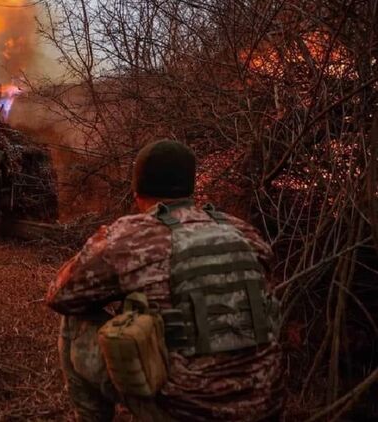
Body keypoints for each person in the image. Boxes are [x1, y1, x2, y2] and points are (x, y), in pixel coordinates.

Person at [46, 139, 283, 421]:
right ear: (191, 188)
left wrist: (103, 245)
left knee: (74, 322)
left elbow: (60, 296)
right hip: (263, 409)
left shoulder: (131, 235)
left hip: (182, 412)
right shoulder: (243, 232)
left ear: (137, 190)